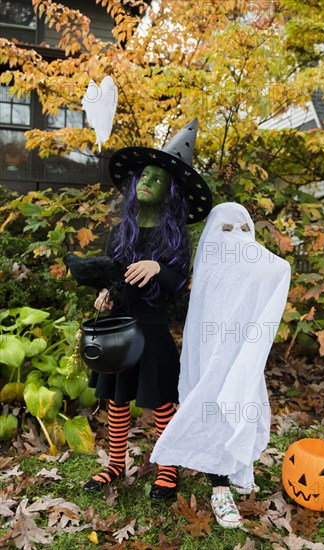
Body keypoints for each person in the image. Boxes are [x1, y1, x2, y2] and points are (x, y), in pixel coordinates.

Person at [78, 118, 212, 501]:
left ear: (171, 190)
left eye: (157, 178)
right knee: (118, 399)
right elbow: (110, 272)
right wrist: (104, 294)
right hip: (120, 327)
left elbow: (182, 282)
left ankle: (167, 468)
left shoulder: (176, 234)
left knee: (163, 401)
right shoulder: (122, 229)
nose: (147, 182)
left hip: (153, 328)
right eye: (144, 176)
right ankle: (115, 465)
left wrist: (158, 267)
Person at [150, 202, 291, 523]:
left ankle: (237, 467)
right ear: (213, 234)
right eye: (226, 229)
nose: (235, 238)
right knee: (210, 406)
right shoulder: (210, 267)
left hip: (239, 356)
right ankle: (218, 485)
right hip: (207, 353)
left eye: (243, 230)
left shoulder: (251, 262)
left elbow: (271, 272)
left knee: (238, 404)